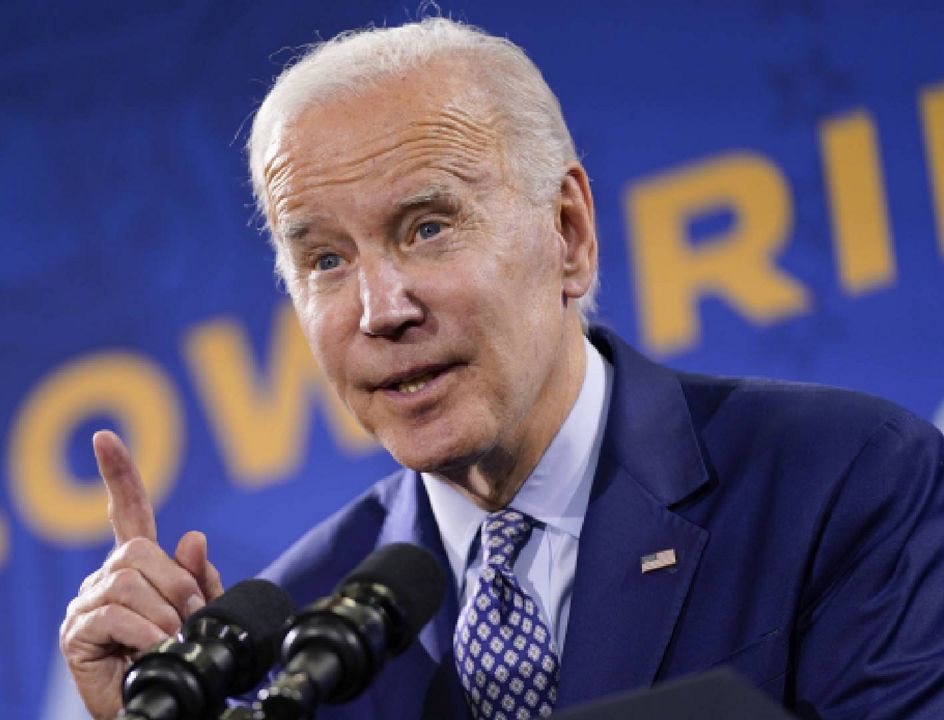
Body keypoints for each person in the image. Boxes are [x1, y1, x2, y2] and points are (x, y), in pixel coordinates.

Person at [59, 18, 944, 719]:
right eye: (325, 260)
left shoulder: (843, 480)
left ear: (569, 233)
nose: (381, 308)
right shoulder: (292, 638)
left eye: (428, 227)